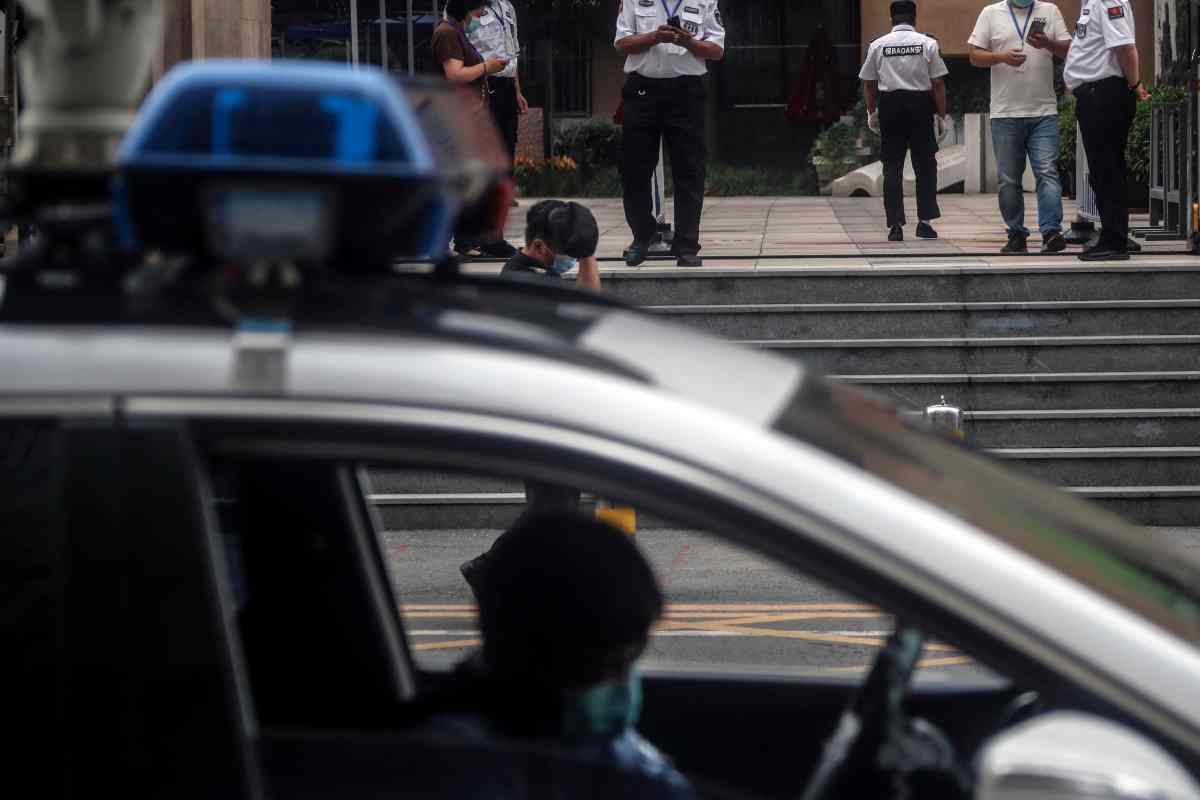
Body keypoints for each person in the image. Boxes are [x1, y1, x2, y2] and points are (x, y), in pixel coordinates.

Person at [436, 511, 694, 799]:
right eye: (608, 665)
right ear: (530, 656)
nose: (623, 682)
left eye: (632, 660)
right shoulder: (455, 772)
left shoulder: (622, 761)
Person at [614, 0, 725, 268]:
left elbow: (717, 50)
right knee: (634, 170)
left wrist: (688, 42)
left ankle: (686, 245)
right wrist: (655, 37)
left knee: (690, 171)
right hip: (643, 90)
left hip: (686, 92)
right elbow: (621, 43)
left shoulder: (705, 1)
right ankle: (642, 237)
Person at [969, 1, 1070, 254]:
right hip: (1005, 114)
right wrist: (1001, 57)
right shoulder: (990, 13)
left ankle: (1051, 232)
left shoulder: (1050, 11)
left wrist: (1047, 43)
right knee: (1009, 180)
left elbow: (1070, 50)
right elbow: (974, 56)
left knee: (1047, 173)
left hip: (1044, 112)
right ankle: (1016, 234)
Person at [1057, 0, 1151, 261]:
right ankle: (1114, 234)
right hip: (1095, 95)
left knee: (1107, 171)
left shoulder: (1109, 1)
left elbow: (1125, 47)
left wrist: (1135, 85)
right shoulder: (1092, 3)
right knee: (1103, 172)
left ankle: (1115, 240)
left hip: (1105, 95)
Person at [431, 0, 518, 259]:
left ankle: (468, 239)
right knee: (460, 180)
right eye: (478, 9)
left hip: (470, 116)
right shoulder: (447, 33)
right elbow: (455, 74)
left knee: (472, 178)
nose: (481, 14)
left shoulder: (456, 32)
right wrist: (486, 67)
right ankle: (447, 240)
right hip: (457, 116)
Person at [859, 0, 950, 243]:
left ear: (891, 20)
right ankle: (925, 223)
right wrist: (942, 115)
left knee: (892, 167)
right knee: (925, 166)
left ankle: (895, 226)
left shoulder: (877, 45)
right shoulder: (928, 43)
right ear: (914, 19)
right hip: (920, 106)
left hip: (890, 106)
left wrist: (871, 111)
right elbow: (938, 83)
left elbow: (868, 83)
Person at [463, 0, 526, 208]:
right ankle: (483, 194)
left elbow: (512, 51)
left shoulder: (507, 7)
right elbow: (458, 45)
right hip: (484, 82)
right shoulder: (465, 6)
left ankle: (504, 192)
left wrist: (517, 91)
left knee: (508, 140)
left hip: (507, 83)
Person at [501, 199, 602, 290]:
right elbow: (586, 305)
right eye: (567, 253)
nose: (574, 258)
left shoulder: (537, 270)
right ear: (539, 246)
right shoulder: (524, 283)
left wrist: (587, 247)